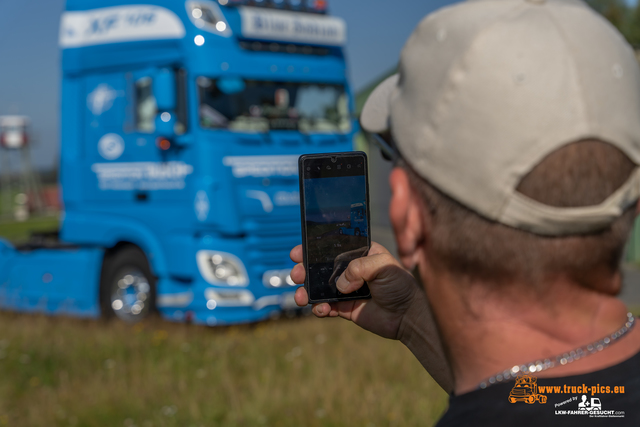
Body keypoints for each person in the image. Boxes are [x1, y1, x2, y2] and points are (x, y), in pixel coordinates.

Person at [291, 0, 640, 424]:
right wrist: (411, 319)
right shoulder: (602, 396)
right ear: (634, 206)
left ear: (407, 217)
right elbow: (564, 403)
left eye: (387, 154)